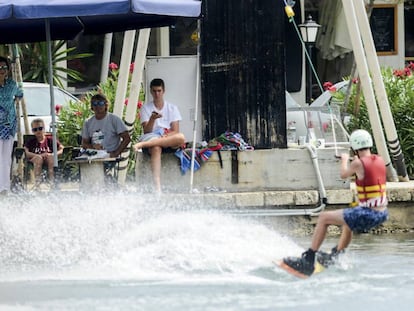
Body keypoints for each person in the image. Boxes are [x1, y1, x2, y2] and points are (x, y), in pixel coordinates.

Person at [282, 129, 388, 277]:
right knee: (348, 222)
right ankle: (336, 255)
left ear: (354, 147)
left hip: (369, 213)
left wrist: (344, 159)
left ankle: (308, 259)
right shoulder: (380, 160)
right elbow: (366, 171)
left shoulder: (357, 163)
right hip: (382, 213)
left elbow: (344, 174)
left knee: (324, 217)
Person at [133, 78, 185, 192]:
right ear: (151, 92)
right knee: (156, 148)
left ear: (163, 91)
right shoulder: (146, 108)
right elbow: (147, 131)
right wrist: (152, 119)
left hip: (167, 137)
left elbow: (176, 130)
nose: (157, 94)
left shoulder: (172, 108)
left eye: (159, 91)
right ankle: (157, 186)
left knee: (181, 137)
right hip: (152, 135)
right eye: (154, 91)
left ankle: (142, 144)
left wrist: (166, 135)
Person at [81, 93, 131, 158]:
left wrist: (116, 153)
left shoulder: (114, 119)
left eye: (101, 103)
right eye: (95, 103)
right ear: (92, 106)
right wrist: (93, 147)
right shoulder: (88, 122)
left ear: (106, 105)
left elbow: (126, 138)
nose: (98, 106)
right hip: (94, 156)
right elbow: (84, 143)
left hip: (110, 156)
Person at [0, 56, 23, 195]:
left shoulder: (12, 85)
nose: (1, 70)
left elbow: (20, 94)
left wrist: (14, 104)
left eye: (4, 67)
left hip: (9, 126)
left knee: (6, 158)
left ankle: (4, 188)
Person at [24, 118, 64, 183]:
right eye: (35, 129)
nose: (38, 131)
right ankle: (37, 184)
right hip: (34, 160)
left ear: (44, 128)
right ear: (32, 131)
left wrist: (53, 154)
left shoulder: (50, 139)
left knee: (50, 157)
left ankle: (52, 182)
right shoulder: (31, 141)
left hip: (48, 159)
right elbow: (26, 152)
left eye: (40, 128)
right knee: (38, 158)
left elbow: (61, 148)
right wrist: (39, 155)